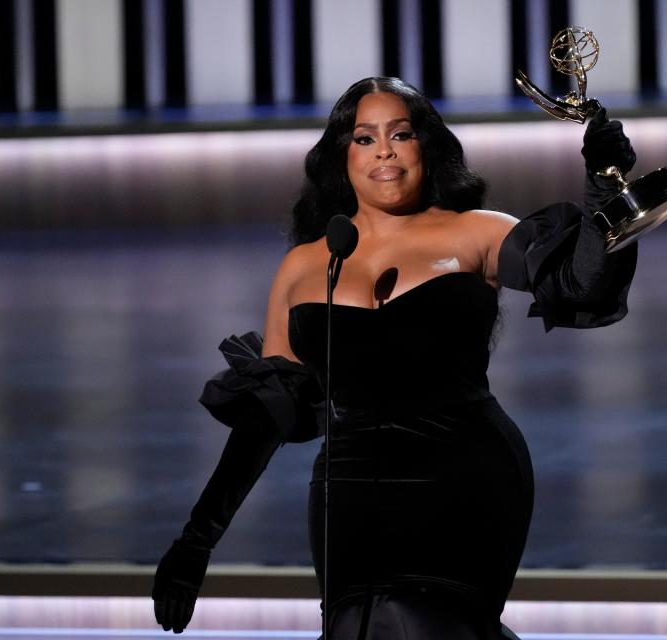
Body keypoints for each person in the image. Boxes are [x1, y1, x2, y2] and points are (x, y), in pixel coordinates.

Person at [152, 76, 637, 639]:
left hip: (465, 476)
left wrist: (605, 185)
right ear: (342, 155)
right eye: (364, 138)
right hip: (348, 489)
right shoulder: (306, 265)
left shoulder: (476, 232)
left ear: (425, 146)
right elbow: (267, 418)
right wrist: (196, 540)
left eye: (400, 134)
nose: (383, 149)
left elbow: (581, 285)